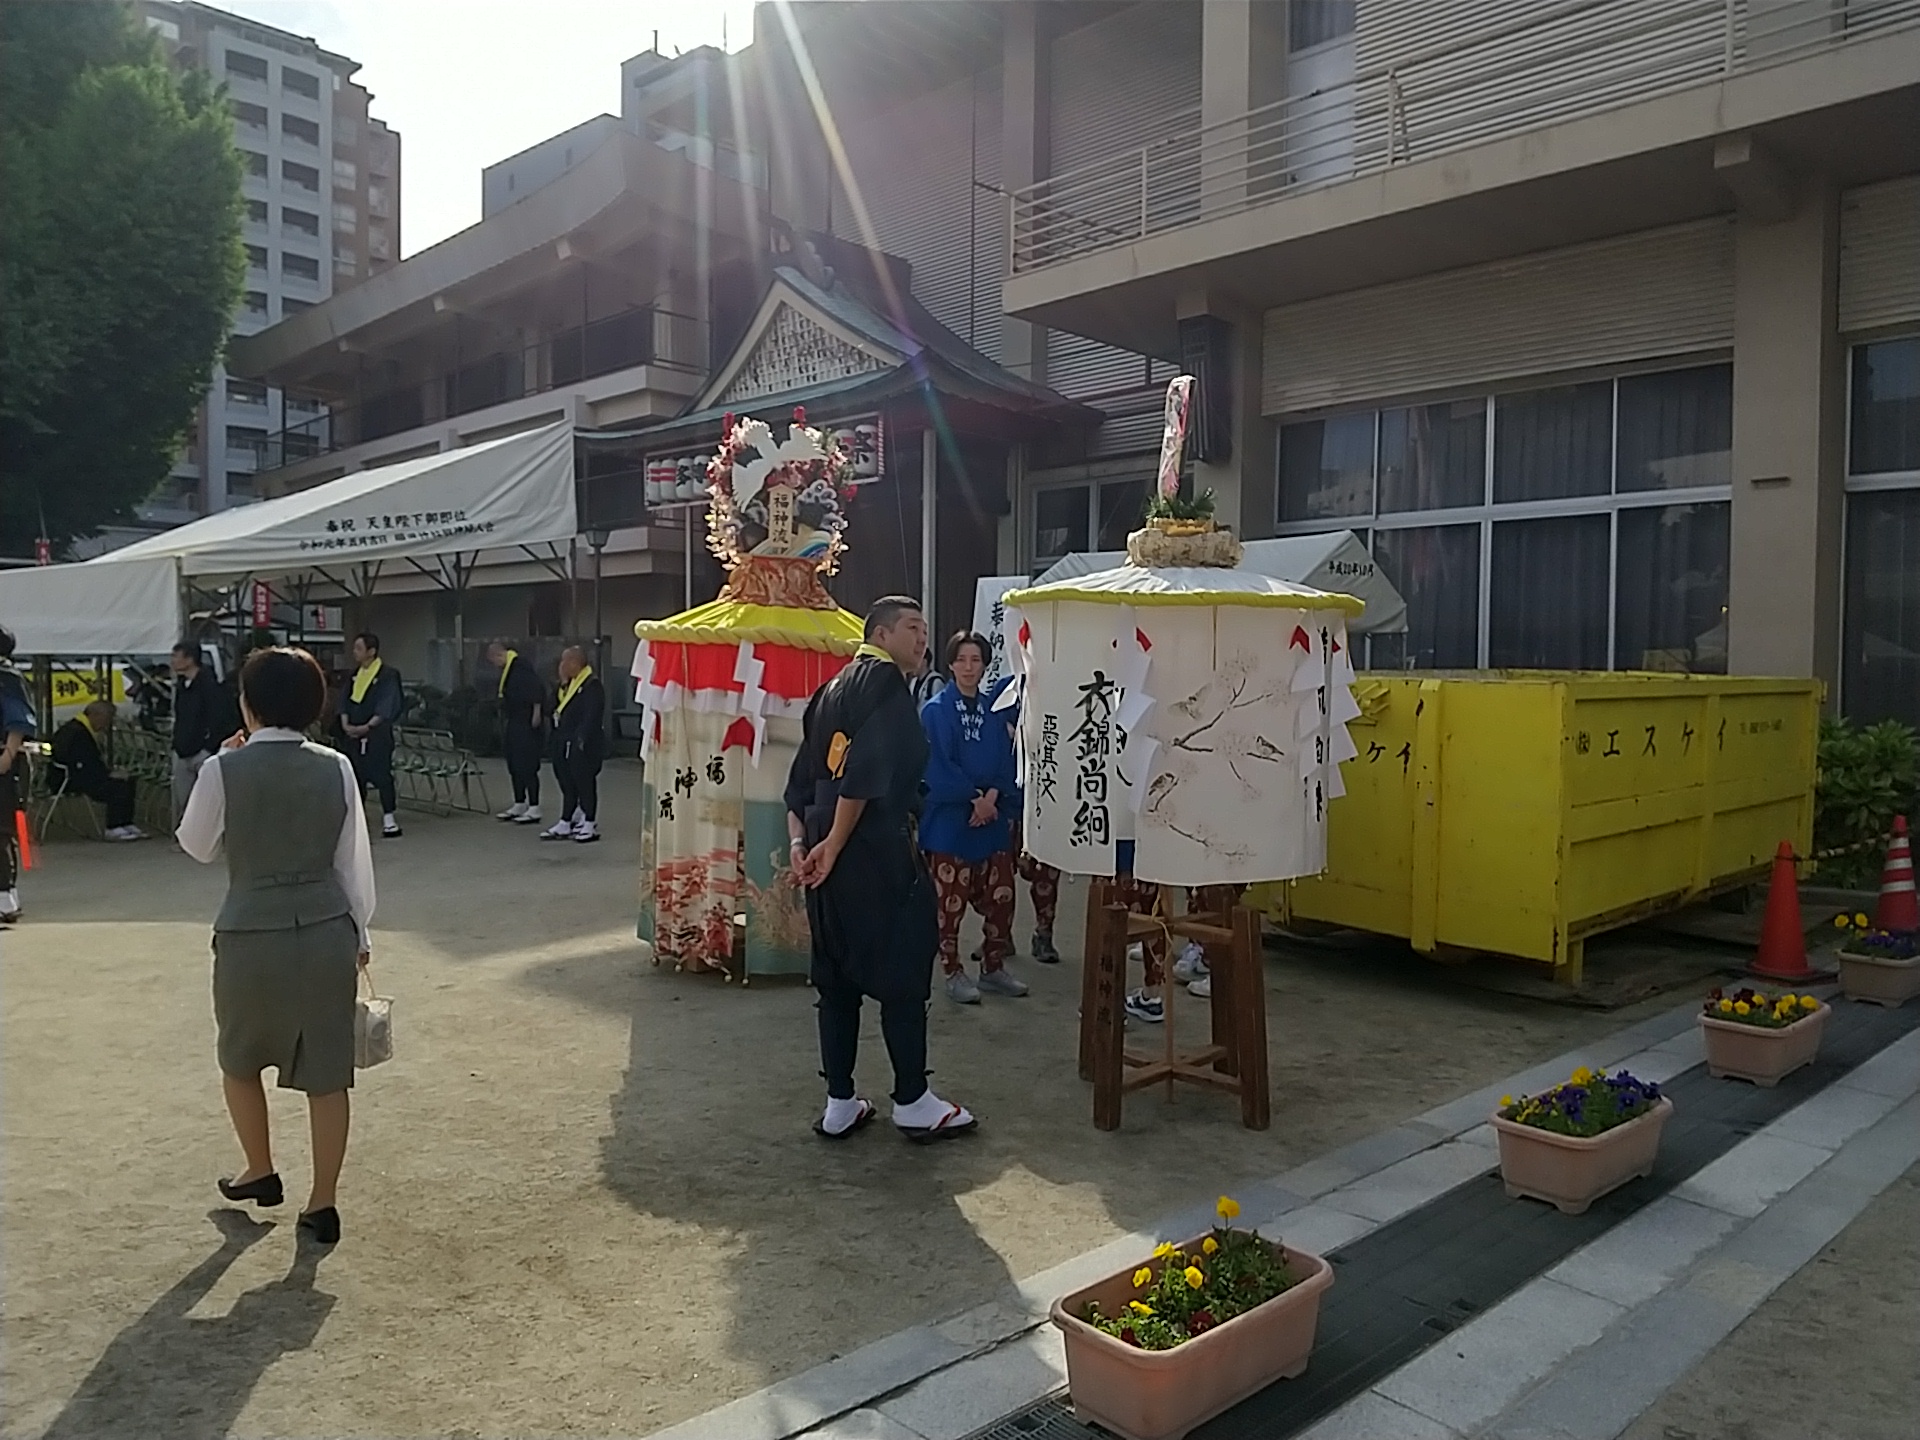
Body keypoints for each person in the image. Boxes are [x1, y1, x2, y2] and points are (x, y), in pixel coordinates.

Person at [179, 647, 374, 1248]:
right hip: (323, 927)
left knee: (239, 1058)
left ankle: (259, 1168)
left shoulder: (222, 769)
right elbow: (352, 863)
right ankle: (323, 1204)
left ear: (249, 704)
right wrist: (360, 934)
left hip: (249, 929)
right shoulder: (336, 766)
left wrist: (225, 765)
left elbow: (196, 844)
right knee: (326, 1072)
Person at [785, 595, 976, 1143]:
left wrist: (806, 845)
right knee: (903, 973)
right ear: (882, 634)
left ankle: (839, 1101)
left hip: (824, 858)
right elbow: (865, 775)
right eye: (913, 627)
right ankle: (913, 1099)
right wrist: (837, 844)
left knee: (837, 979)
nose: (922, 638)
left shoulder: (828, 690)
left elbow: (799, 784)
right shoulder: (886, 684)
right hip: (872, 853)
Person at [921, 631, 1029, 1004]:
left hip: (991, 818)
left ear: (985, 665)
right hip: (953, 821)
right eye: (962, 660)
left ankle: (993, 966)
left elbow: (1006, 757)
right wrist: (973, 798)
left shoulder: (994, 709)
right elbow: (936, 765)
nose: (969, 667)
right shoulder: (935, 710)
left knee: (1002, 897)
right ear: (950, 664)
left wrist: (993, 796)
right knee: (948, 905)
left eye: (976, 660)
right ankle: (952, 971)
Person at [986, 675, 1063, 967]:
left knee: (1046, 875)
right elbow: (996, 736)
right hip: (1008, 799)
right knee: (1001, 875)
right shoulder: (1004, 688)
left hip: (1047, 798)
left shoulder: (1060, 685)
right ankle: (999, 937)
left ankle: (1044, 934)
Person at [336, 633, 403, 838]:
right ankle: (358, 818)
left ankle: (389, 819)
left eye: (358, 648)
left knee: (382, 774)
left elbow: (387, 704)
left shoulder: (387, 675)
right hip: (353, 734)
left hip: (377, 735)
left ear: (371, 651)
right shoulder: (354, 674)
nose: (354, 652)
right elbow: (344, 701)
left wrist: (368, 726)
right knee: (356, 775)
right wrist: (346, 723)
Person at [50, 701, 145, 840]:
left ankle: (126, 822)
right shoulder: (78, 733)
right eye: (107, 719)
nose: (107, 724)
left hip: (79, 773)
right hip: (70, 779)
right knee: (118, 786)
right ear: (95, 715)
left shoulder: (78, 728)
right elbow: (85, 764)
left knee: (128, 780)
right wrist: (109, 774)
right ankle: (113, 826)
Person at [542, 645, 605, 844]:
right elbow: (550, 708)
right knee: (566, 782)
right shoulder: (567, 685)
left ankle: (589, 821)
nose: (561, 665)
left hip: (582, 743)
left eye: (565, 661)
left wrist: (581, 739)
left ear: (576, 663)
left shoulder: (591, 685)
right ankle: (566, 820)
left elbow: (591, 716)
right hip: (561, 739)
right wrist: (561, 684)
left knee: (584, 781)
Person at [170, 642, 235, 833]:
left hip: (203, 751)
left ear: (190, 659)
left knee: (207, 800)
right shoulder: (182, 686)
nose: (172, 661)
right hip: (182, 749)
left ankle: (208, 835)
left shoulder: (211, 685)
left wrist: (208, 748)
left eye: (176, 656)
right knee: (185, 798)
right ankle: (192, 836)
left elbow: (220, 719)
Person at [1, 626, 37, 924]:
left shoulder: (8, 678)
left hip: (4, 761)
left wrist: (7, 755)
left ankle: (5, 898)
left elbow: (18, 722)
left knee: (1, 832)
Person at [489, 639, 546, 825]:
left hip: (526, 721)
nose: (495, 664)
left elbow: (537, 689)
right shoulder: (507, 671)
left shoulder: (520, 666)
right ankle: (519, 802)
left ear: (500, 654)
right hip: (513, 719)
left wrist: (537, 713)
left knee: (527, 764)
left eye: (495, 659)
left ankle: (534, 806)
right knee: (513, 763)